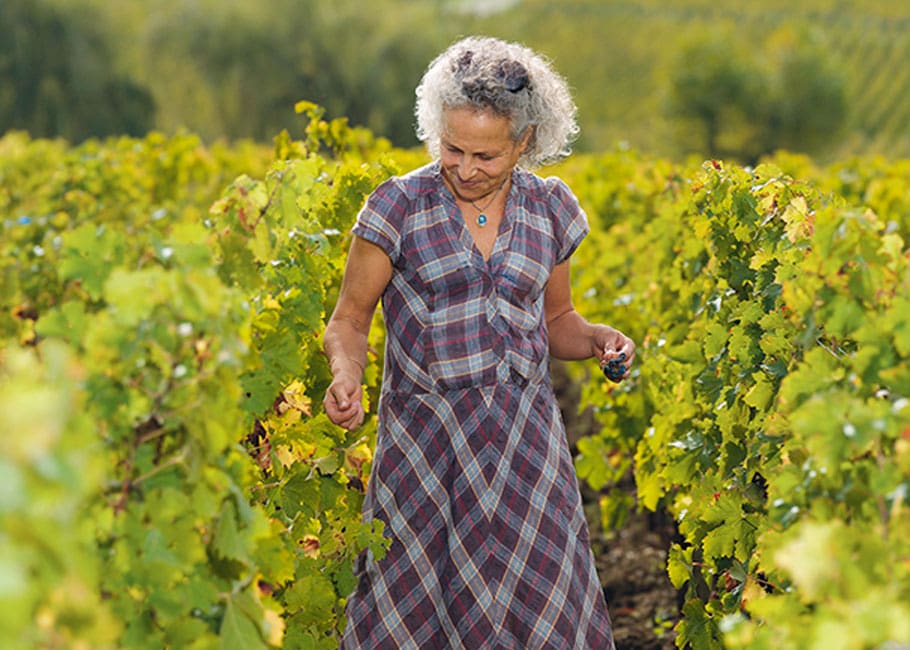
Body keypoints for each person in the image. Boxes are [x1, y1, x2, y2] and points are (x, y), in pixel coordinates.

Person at [323, 35, 634, 649]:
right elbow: (350, 320)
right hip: (424, 451)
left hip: (527, 448)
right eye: (452, 147)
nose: (465, 168)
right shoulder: (397, 207)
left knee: (538, 611)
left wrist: (598, 339)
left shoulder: (549, 208)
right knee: (415, 615)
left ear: (525, 142)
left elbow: (557, 321)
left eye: (486, 155)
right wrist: (346, 374)